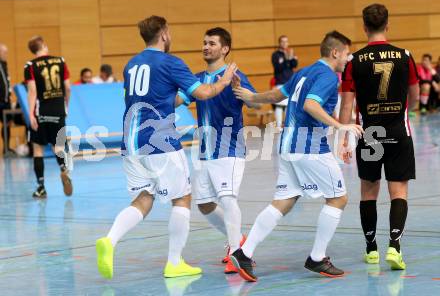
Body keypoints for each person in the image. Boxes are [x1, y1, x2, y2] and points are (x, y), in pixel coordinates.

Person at [95, 15, 238, 280]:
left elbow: (160, 98)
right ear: (164, 34)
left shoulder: (131, 64)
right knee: (182, 198)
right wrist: (224, 80)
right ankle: (174, 263)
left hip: (130, 143)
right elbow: (205, 93)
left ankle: (110, 239)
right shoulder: (170, 62)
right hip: (160, 141)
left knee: (144, 198)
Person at [230, 31, 363, 282]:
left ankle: (244, 253)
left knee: (285, 200)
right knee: (338, 198)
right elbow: (310, 105)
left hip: (288, 146)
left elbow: (275, 96)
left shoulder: (304, 72)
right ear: (335, 52)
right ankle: (317, 257)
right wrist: (341, 127)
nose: (348, 59)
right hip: (309, 147)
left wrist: (250, 96)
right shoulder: (326, 75)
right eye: (346, 54)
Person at [339, 3, 420, 271]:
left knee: (368, 191)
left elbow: (347, 106)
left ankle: (371, 249)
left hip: (369, 133)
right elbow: (416, 98)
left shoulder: (353, 62)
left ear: (364, 27)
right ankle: (395, 247)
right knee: (399, 190)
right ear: (388, 25)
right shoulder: (405, 56)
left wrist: (343, 140)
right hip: (399, 131)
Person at [175, 27, 259, 274]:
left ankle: (236, 253)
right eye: (204, 43)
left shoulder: (236, 75)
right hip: (204, 151)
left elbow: (254, 102)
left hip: (229, 148)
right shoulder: (196, 78)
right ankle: (238, 238)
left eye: (212, 43)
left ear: (225, 49)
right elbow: (177, 101)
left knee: (227, 198)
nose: (206, 47)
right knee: (204, 204)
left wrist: (242, 90)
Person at [25, 36, 73, 198]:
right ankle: (63, 169)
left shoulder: (30, 65)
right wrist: (66, 105)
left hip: (41, 112)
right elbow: (68, 87)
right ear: (44, 46)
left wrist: (31, 114)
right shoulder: (60, 61)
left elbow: (32, 91)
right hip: (58, 110)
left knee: (38, 149)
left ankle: (41, 187)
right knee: (58, 146)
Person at [271, 35, 298, 127]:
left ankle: (288, 126)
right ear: (279, 43)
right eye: (282, 41)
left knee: (288, 105)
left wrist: (292, 59)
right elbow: (278, 67)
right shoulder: (276, 55)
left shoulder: (290, 53)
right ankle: (278, 126)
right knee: (279, 105)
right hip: (280, 82)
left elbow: (294, 65)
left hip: (290, 82)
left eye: (286, 41)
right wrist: (286, 59)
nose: (284, 43)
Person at [0, 43, 13, 155]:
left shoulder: (4, 64)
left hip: (6, 100)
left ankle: (6, 148)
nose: (6, 55)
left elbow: (6, 82)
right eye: (4, 53)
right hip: (1, 101)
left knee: (7, 123)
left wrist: (9, 95)